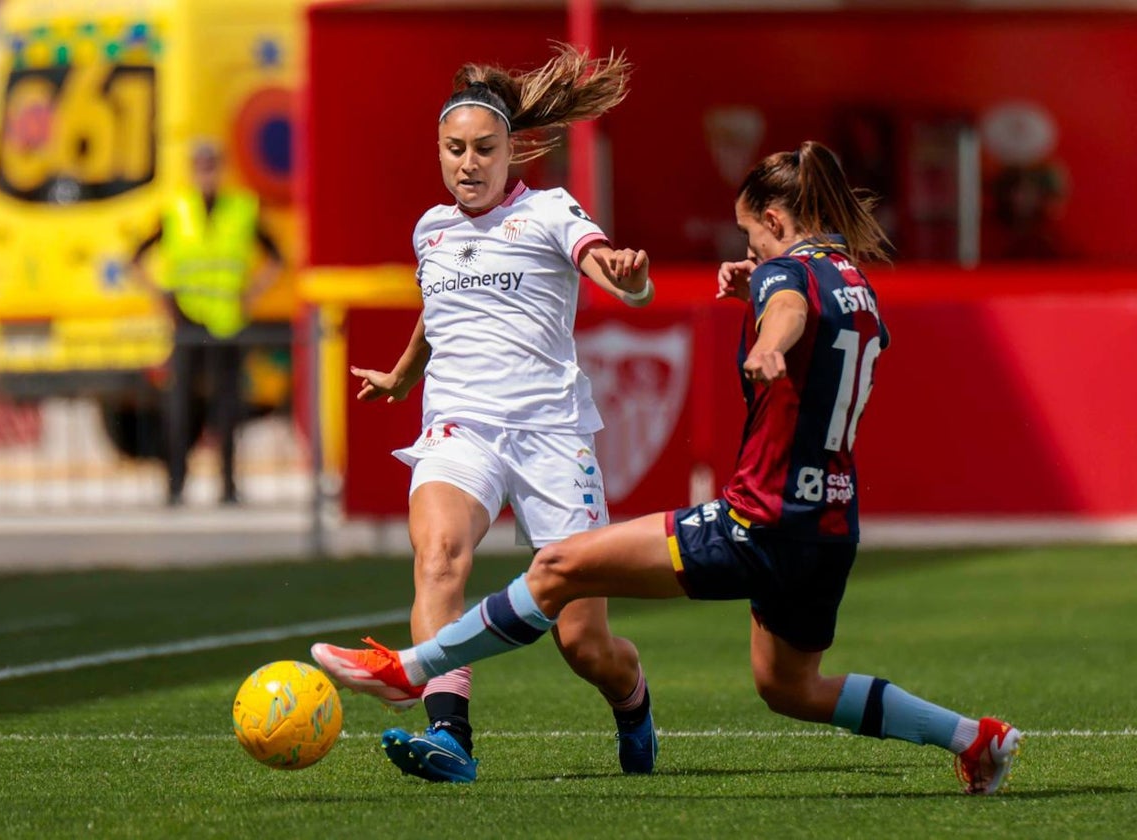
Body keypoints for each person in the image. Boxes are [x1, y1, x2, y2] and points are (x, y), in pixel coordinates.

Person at [311, 141, 1023, 795]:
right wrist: (768, 290)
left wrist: (770, 333)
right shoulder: (854, 283)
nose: (747, 248)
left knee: (559, 568)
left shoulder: (782, 279)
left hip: (757, 521)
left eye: (750, 233)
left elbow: (788, 313)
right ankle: (975, 739)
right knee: (790, 687)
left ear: (775, 220)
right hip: (829, 528)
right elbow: (811, 309)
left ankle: (412, 669)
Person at [312, 45, 659, 784]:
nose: (468, 164)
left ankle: (632, 701)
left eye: (483, 150)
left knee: (583, 643)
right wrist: (406, 377)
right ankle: (450, 738)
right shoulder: (430, 230)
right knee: (438, 557)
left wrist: (630, 283)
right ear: (439, 151)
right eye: (454, 149)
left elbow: (604, 265)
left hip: (550, 435)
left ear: (511, 152)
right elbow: (440, 312)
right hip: (459, 427)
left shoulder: (548, 212)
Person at [129, 141, 283, 506]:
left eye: (211, 165)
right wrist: (160, 297)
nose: (206, 173)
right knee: (179, 407)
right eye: (200, 166)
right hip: (186, 321)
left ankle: (228, 487)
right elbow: (136, 259)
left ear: (221, 168)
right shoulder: (175, 209)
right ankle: (175, 486)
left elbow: (276, 257)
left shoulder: (241, 208)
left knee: (227, 409)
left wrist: (252, 293)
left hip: (227, 322)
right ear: (191, 170)